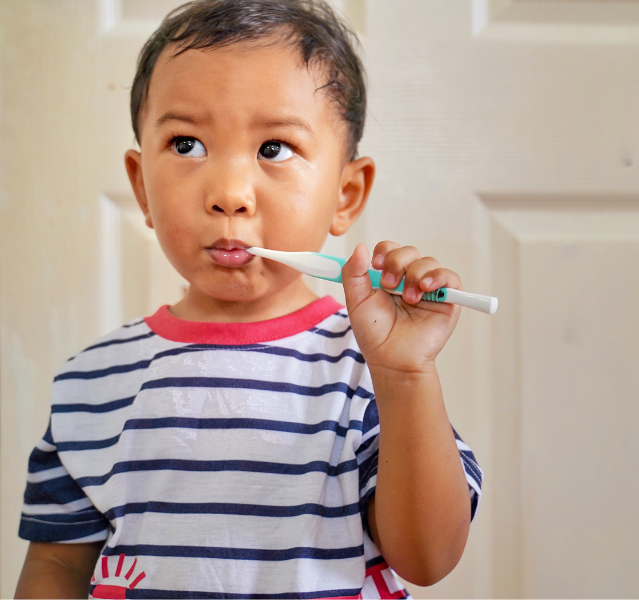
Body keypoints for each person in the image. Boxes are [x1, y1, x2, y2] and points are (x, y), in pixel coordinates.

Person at [14, 1, 482, 597]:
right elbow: (54, 569)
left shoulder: (371, 371)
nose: (230, 194)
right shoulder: (91, 383)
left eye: (274, 149)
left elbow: (428, 559)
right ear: (142, 187)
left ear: (346, 193)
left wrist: (407, 376)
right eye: (186, 145)